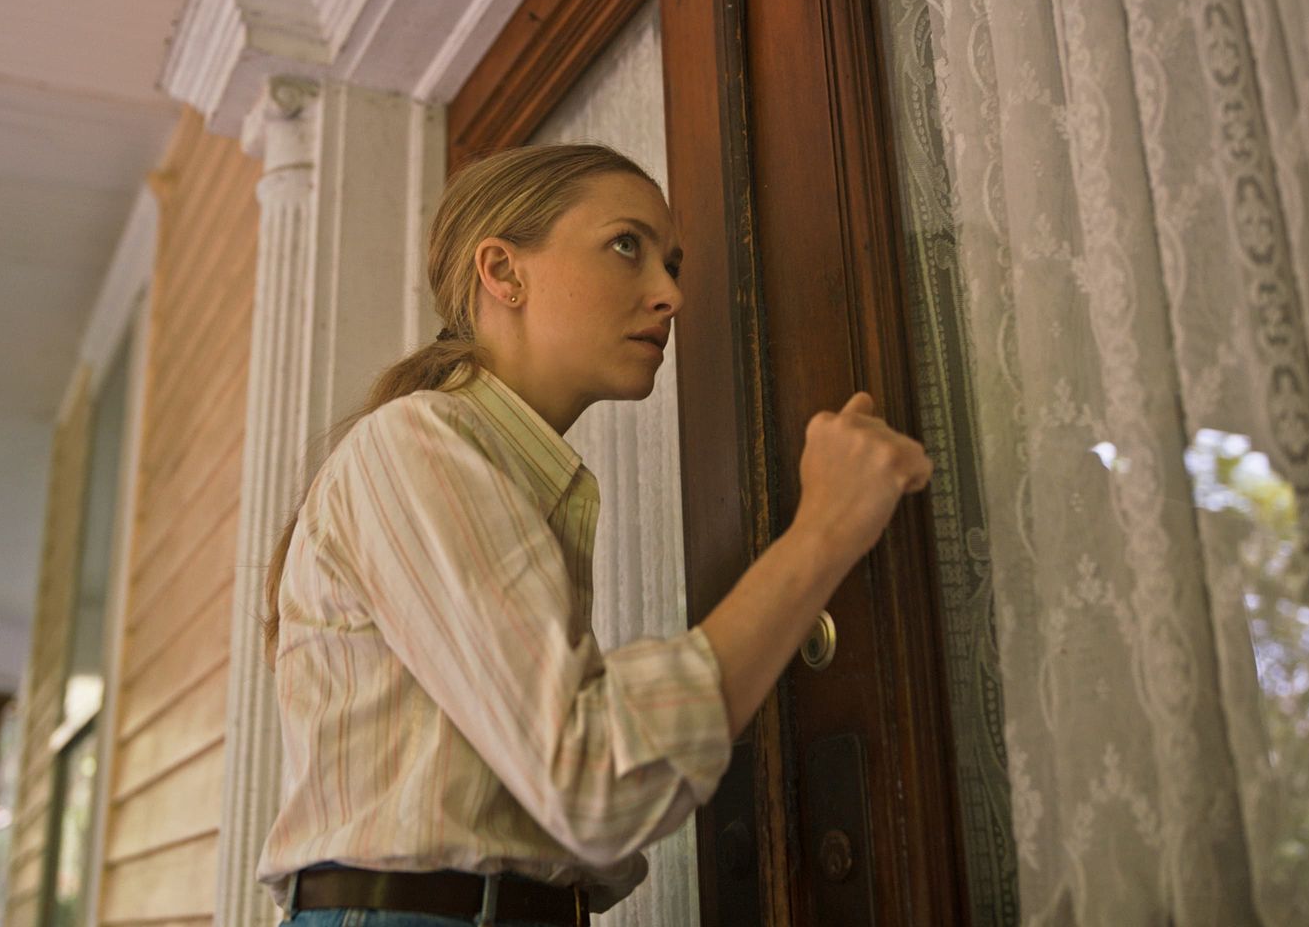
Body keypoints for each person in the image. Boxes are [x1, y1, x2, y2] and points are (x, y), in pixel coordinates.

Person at [256, 143, 932, 927]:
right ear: (503, 273)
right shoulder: (418, 445)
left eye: (672, 262)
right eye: (626, 246)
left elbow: (572, 797)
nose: (671, 292)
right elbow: (590, 781)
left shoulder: (505, 477)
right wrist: (825, 531)